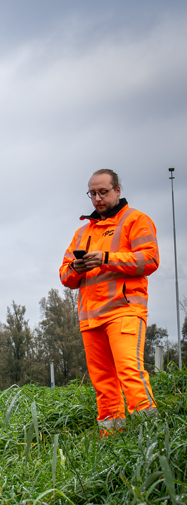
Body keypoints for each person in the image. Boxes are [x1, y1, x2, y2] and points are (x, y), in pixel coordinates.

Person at [59, 169, 159, 433]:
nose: (97, 198)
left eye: (103, 192)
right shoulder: (82, 232)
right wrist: (78, 268)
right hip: (90, 319)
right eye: (92, 193)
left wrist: (106, 258)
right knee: (103, 383)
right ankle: (112, 439)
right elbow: (65, 276)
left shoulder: (136, 220)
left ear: (118, 190)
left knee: (130, 372)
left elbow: (150, 259)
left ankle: (152, 437)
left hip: (124, 311)